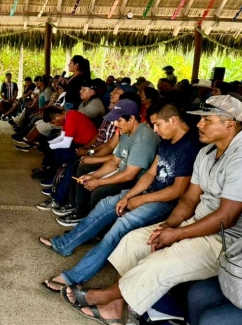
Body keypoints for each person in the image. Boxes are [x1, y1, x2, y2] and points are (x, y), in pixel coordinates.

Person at [61, 95, 242, 325]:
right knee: (134, 241)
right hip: (198, 223)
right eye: (200, 119)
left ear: (230, 124)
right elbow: (189, 199)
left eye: (207, 119)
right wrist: (168, 227)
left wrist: (177, 235)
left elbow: (226, 218)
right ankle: (114, 309)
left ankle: (102, 297)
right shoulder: (207, 154)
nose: (199, 124)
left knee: (159, 261)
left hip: (228, 241)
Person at [40, 99, 200, 292]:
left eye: (157, 125)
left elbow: (178, 191)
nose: (155, 130)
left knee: (120, 227)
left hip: (166, 203)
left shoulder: (190, 147)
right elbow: (150, 174)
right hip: (150, 193)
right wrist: (128, 197)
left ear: (173, 120)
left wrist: (139, 199)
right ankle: (66, 244)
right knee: (106, 204)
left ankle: (73, 276)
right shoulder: (167, 142)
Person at [55, 99, 160, 225]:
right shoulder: (126, 132)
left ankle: (95, 228)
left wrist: (98, 182)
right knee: (86, 176)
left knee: (98, 192)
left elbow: (130, 175)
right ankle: (82, 214)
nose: (115, 124)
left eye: (119, 120)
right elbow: (114, 162)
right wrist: (93, 176)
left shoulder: (143, 139)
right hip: (123, 171)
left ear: (131, 119)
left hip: (136, 180)